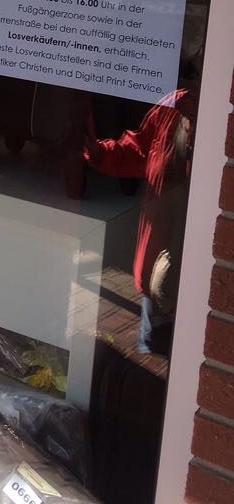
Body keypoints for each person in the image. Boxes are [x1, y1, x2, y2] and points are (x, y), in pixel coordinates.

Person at [84, 87, 196, 353]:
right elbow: (140, 151)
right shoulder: (176, 104)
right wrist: (97, 151)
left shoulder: (213, 115)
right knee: (154, 348)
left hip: (197, 273)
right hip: (156, 264)